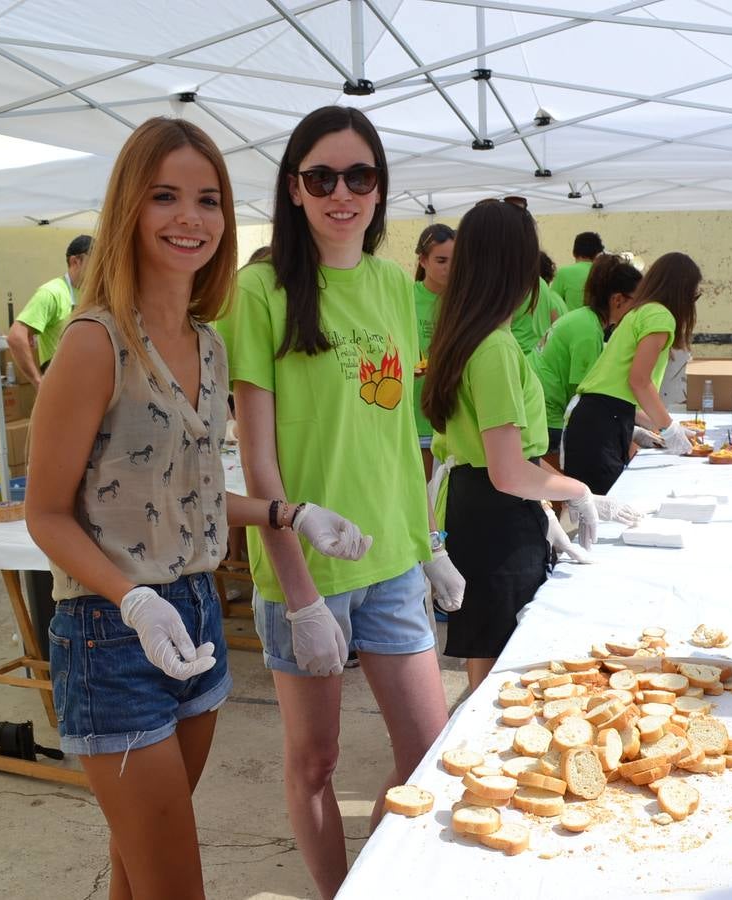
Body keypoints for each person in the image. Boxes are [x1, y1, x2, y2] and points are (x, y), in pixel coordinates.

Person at [24, 117, 370, 900]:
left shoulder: (210, 345)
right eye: (166, 196)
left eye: (209, 199)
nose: (191, 218)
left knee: (137, 870)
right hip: (111, 634)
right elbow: (43, 513)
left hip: (197, 616)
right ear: (128, 210)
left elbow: (198, 489)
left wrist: (288, 515)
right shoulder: (92, 341)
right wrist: (132, 599)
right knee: (176, 884)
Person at [228, 105, 465, 899]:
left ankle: (376, 880)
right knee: (316, 763)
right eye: (320, 177)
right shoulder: (259, 291)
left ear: (379, 187)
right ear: (293, 189)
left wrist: (428, 541)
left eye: (358, 176)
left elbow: (401, 433)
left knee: (428, 754)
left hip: (395, 559)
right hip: (308, 570)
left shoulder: (396, 284)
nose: (341, 193)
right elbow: (258, 457)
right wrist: (299, 594)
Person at [423, 199, 637, 689]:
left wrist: (548, 502)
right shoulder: (494, 347)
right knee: (506, 680)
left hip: (476, 509)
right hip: (497, 518)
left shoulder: (464, 335)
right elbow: (508, 470)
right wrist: (576, 491)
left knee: (487, 671)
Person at [562, 252, 701, 494]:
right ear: (682, 292)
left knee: (599, 514)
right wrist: (669, 428)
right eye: (694, 295)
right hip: (600, 424)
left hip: (596, 418)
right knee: (606, 517)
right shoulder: (660, 316)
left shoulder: (641, 311)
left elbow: (621, 391)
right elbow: (638, 381)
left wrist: (662, 427)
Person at [531, 252, 642, 458]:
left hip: (540, 410)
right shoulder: (588, 332)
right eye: (636, 305)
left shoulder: (585, 320)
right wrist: (635, 428)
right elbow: (589, 401)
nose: (638, 313)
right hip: (548, 419)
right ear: (618, 300)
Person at [7, 234, 92, 388]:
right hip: (63, 383)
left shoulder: (92, 293)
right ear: (75, 261)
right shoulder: (52, 292)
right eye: (95, 260)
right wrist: (38, 381)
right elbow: (16, 337)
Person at [411, 223, 455, 475]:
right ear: (423, 260)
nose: (449, 267)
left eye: (455, 260)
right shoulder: (405, 296)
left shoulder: (463, 301)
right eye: (441, 260)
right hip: (414, 412)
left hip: (452, 415)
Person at [551, 230, 603, 308]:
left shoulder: (564, 273)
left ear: (574, 253)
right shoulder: (604, 272)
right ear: (597, 253)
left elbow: (553, 303)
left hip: (569, 319)